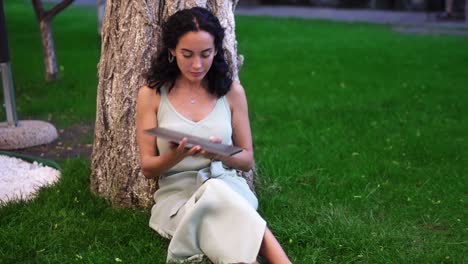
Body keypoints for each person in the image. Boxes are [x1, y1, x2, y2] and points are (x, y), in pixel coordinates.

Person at [136, 7, 292, 264]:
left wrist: (217, 152)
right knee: (218, 203)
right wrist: (177, 155)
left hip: (226, 184)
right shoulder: (152, 94)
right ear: (172, 51)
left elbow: (246, 159)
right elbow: (148, 168)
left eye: (206, 54)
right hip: (179, 197)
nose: (197, 64)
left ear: (216, 51)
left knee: (219, 193)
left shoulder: (231, 92)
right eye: (187, 54)